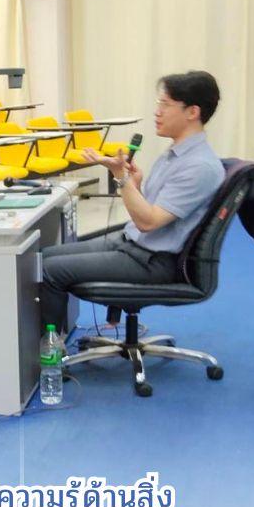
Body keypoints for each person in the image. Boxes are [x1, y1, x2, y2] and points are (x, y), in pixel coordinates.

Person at [41, 71, 226, 332]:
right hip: (136, 244)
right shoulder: (176, 155)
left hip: (155, 260)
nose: (157, 112)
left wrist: (121, 178)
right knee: (44, 257)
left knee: (49, 269)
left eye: (165, 105)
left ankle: (49, 349)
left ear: (192, 112)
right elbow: (150, 209)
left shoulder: (199, 166)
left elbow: (148, 222)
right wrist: (133, 183)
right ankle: (53, 333)